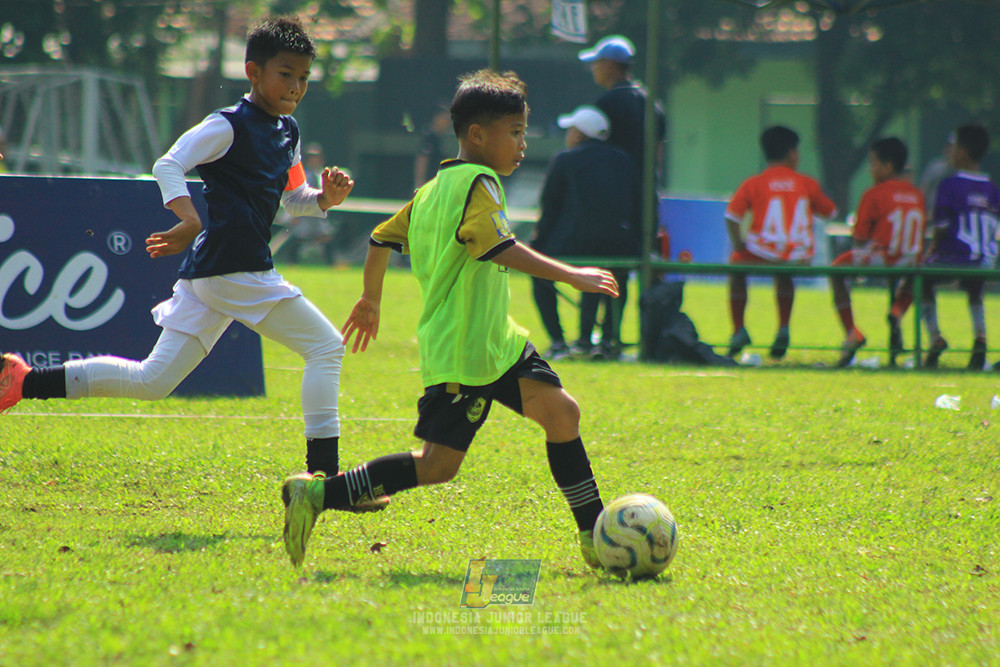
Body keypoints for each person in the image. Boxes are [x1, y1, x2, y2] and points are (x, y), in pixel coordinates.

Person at [0, 16, 368, 487]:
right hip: (237, 270)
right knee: (325, 348)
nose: (296, 85)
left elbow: (294, 198)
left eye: (303, 77)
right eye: (285, 73)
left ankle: (23, 380)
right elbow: (168, 163)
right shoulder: (228, 125)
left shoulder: (288, 131)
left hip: (214, 274)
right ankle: (323, 480)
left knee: (153, 381)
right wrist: (188, 217)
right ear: (253, 72)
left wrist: (325, 200)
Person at [280, 70, 620, 570]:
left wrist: (371, 299)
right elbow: (497, 247)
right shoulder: (479, 184)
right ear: (477, 135)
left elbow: (380, 239)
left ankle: (595, 535)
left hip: (496, 343)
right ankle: (318, 496)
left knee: (561, 413)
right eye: (515, 132)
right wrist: (571, 275)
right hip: (465, 352)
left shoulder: (436, 187)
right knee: (437, 466)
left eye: (523, 132)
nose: (522, 145)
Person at [531, 105, 639, 361]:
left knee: (538, 272)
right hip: (619, 244)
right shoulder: (624, 159)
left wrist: (536, 243)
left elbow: (550, 207)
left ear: (579, 135)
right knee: (616, 278)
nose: (568, 135)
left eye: (571, 130)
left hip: (573, 244)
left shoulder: (565, 159)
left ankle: (559, 342)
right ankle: (607, 341)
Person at [725, 126, 837, 360]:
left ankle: (738, 330)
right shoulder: (807, 182)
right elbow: (831, 212)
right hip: (800, 254)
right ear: (792, 153)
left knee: (736, 267)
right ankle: (783, 328)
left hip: (761, 252)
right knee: (784, 271)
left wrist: (739, 244)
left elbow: (732, 216)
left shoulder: (754, 183)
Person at [829, 138, 926, 367]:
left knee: (835, 270)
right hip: (912, 259)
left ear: (888, 166)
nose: (871, 169)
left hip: (884, 256)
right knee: (916, 273)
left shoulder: (874, 193)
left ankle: (852, 332)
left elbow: (860, 237)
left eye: (873, 164)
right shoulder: (917, 195)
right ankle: (897, 311)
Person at [920, 123, 1000, 370]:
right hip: (986, 259)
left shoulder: (950, 184)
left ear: (962, 152)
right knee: (973, 287)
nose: (949, 152)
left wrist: (932, 249)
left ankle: (935, 337)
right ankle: (980, 337)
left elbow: (941, 226)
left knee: (922, 278)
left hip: (957, 256)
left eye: (953, 147)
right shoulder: (992, 188)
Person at [578, 35, 666, 248]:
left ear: (609, 65)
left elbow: (589, 151)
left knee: (611, 264)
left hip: (614, 198)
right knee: (644, 260)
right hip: (646, 195)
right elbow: (659, 154)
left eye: (596, 63)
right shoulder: (653, 104)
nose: (593, 69)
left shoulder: (606, 103)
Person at [277, 142, 337, 264]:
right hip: (305, 213)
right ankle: (291, 262)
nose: (314, 160)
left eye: (316, 157)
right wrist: (295, 215)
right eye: (311, 157)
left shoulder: (322, 174)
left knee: (325, 237)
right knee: (300, 238)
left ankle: (332, 264)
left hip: (317, 213)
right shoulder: (303, 175)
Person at [413, 104, 453, 189]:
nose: (448, 123)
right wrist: (419, 184)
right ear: (437, 118)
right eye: (445, 119)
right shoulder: (429, 137)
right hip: (428, 186)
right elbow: (422, 160)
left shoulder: (440, 138)